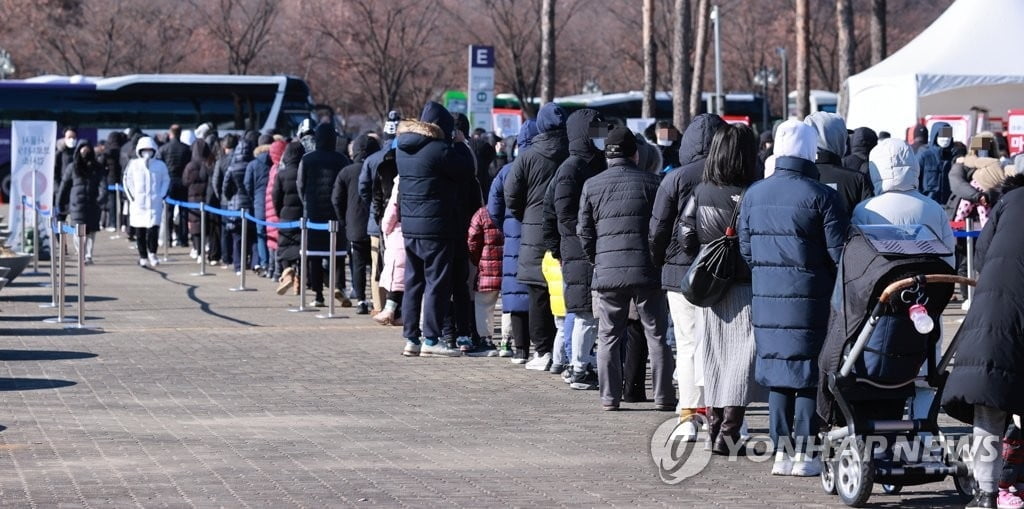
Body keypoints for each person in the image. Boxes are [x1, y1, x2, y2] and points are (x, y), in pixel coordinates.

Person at [738, 119, 848, 476]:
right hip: (811, 295)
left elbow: (746, 248)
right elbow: (838, 254)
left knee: (777, 372)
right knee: (806, 373)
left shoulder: (754, 193)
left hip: (766, 295)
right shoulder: (822, 196)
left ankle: (782, 453)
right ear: (809, 151)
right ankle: (808, 453)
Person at [680, 123, 765, 455]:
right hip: (747, 286)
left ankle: (715, 428)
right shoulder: (755, 193)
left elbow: (685, 238)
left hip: (712, 289)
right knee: (743, 359)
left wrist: (711, 251)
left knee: (713, 356)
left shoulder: (701, 192)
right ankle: (729, 432)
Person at [579, 126, 676, 412]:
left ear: (606, 155)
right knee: (657, 335)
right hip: (648, 272)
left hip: (608, 272)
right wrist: (657, 259)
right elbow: (663, 228)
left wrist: (597, 260)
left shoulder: (592, 185)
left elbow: (583, 232)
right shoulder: (654, 183)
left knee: (608, 336)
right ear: (635, 154)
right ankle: (663, 396)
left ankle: (610, 397)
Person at [941, 177, 1024, 509]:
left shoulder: (1009, 201)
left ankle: (986, 493)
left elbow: (986, 252)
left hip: (995, 313)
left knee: (988, 403)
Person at [650, 112, 725, 438]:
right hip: (725, 273)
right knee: (724, 345)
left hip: (682, 274)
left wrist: (662, 263)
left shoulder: (676, 178)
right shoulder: (734, 175)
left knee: (688, 343)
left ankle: (688, 414)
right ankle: (721, 411)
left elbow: (658, 229)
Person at [395, 101, 474, 357]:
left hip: (410, 226)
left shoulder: (402, 149)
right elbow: (466, 171)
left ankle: (411, 338)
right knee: (437, 283)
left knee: (413, 282)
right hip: (437, 226)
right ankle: (431, 338)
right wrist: (460, 143)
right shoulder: (441, 150)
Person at [504, 102, 570, 370]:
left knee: (538, 293)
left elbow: (511, 194)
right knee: (565, 293)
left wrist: (526, 216)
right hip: (566, 231)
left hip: (533, 229)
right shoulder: (573, 153)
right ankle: (565, 350)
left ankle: (543, 351)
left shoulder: (527, 156)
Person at [551, 108, 607, 389]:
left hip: (595, 247)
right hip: (578, 249)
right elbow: (562, 212)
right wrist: (585, 233)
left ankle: (586, 363)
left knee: (593, 312)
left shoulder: (598, 163)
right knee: (584, 312)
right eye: (596, 130)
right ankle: (578, 367)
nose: (602, 136)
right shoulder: (570, 168)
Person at [852, 139, 956, 265]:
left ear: (875, 169)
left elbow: (859, 258)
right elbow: (948, 255)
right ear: (913, 164)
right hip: (929, 280)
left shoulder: (864, 210)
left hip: (882, 282)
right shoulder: (934, 208)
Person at [489, 121, 538, 361]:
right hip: (539, 233)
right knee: (539, 290)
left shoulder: (507, 170)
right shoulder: (546, 165)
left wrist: (506, 226)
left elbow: (493, 206)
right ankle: (542, 347)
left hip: (513, 234)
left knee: (516, 290)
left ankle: (520, 349)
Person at [298, 123, 348, 308]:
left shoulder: (307, 159)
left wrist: (307, 203)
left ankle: (318, 295)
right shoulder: (342, 159)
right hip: (336, 213)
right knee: (337, 253)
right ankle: (338, 287)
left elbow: (300, 185)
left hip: (314, 213)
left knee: (315, 256)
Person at [333, 134, 381, 315]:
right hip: (376, 223)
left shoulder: (346, 171)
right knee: (377, 264)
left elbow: (336, 198)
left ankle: (361, 299)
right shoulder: (377, 168)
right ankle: (378, 300)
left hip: (354, 224)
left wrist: (344, 219)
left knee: (358, 263)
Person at [803, 112, 873, 216]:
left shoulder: (794, 177)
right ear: (837, 139)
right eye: (845, 137)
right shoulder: (857, 180)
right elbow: (868, 223)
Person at [123, 137, 170, 267]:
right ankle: (143, 256)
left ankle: (153, 253)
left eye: (150, 150)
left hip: (154, 204)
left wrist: (161, 195)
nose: (147, 152)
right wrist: (133, 197)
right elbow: (127, 181)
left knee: (153, 230)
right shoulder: (133, 164)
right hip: (138, 204)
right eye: (144, 150)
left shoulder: (160, 165)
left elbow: (166, 180)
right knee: (140, 232)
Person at [57, 140, 104, 263]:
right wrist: (59, 203)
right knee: (77, 230)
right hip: (77, 204)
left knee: (91, 230)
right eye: (82, 149)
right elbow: (64, 186)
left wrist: (101, 199)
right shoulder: (72, 167)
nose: (85, 152)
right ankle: (80, 253)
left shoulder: (97, 167)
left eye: (87, 149)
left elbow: (103, 185)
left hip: (93, 203)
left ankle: (88, 255)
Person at [467, 204, 503, 355]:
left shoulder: (482, 213)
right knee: (509, 307)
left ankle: (486, 341)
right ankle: (508, 341)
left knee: (484, 305)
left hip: (487, 268)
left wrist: (477, 261)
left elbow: (472, 242)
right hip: (510, 268)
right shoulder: (516, 208)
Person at [222, 131, 257, 275]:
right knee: (252, 236)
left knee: (237, 237)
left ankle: (238, 265)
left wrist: (231, 198)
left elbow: (225, 187)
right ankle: (253, 262)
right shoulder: (253, 165)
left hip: (235, 205)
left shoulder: (232, 167)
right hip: (250, 205)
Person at [273, 142, 305, 295]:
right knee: (301, 249)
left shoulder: (281, 174)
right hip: (302, 217)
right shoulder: (304, 172)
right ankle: (299, 277)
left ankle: (287, 274)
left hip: (286, 216)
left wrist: (280, 213)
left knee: (284, 248)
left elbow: (275, 197)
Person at [377, 176, 407, 331]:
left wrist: (385, 227)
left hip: (399, 234)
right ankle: (404, 314)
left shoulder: (401, 180)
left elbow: (392, 210)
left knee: (396, 275)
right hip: (424, 232)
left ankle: (389, 309)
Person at [244, 134, 275, 274]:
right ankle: (275, 265)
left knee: (261, 234)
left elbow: (247, 185)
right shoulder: (276, 162)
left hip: (259, 203)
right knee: (275, 234)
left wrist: (254, 198)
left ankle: (265, 263)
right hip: (275, 203)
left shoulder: (253, 164)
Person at [159, 124, 193, 248]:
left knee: (168, 212)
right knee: (184, 212)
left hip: (169, 182)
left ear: (170, 133)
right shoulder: (187, 149)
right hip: (183, 182)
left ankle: (168, 239)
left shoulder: (164, 149)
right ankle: (182, 239)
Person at [182, 139, 214, 261]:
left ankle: (198, 250)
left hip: (193, 198)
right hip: (207, 198)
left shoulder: (190, 166)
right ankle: (206, 247)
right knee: (207, 224)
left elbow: (185, 182)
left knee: (195, 225)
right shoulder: (209, 163)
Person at [211, 134, 238, 268]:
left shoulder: (221, 161)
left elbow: (216, 181)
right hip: (239, 199)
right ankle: (238, 258)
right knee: (238, 231)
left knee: (225, 231)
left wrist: (220, 195)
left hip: (225, 201)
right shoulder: (240, 159)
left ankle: (226, 258)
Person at [915, 121, 954, 204]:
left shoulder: (953, 155)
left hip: (948, 206)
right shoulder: (924, 154)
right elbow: (915, 179)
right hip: (927, 204)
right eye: (943, 135)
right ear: (935, 136)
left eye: (948, 135)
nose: (946, 139)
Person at [264, 140, 287, 280]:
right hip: (277, 209)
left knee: (271, 240)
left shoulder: (272, 168)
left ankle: (272, 269)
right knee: (278, 241)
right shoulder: (281, 169)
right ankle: (278, 271)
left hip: (269, 209)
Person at [54, 128, 77, 193]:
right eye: (69, 137)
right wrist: (58, 189)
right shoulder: (59, 154)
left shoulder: (78, 153)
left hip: (75, 188)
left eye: (74, 137)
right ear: (64, 138)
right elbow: (54, 174)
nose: (72, 140)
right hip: (62, 188)